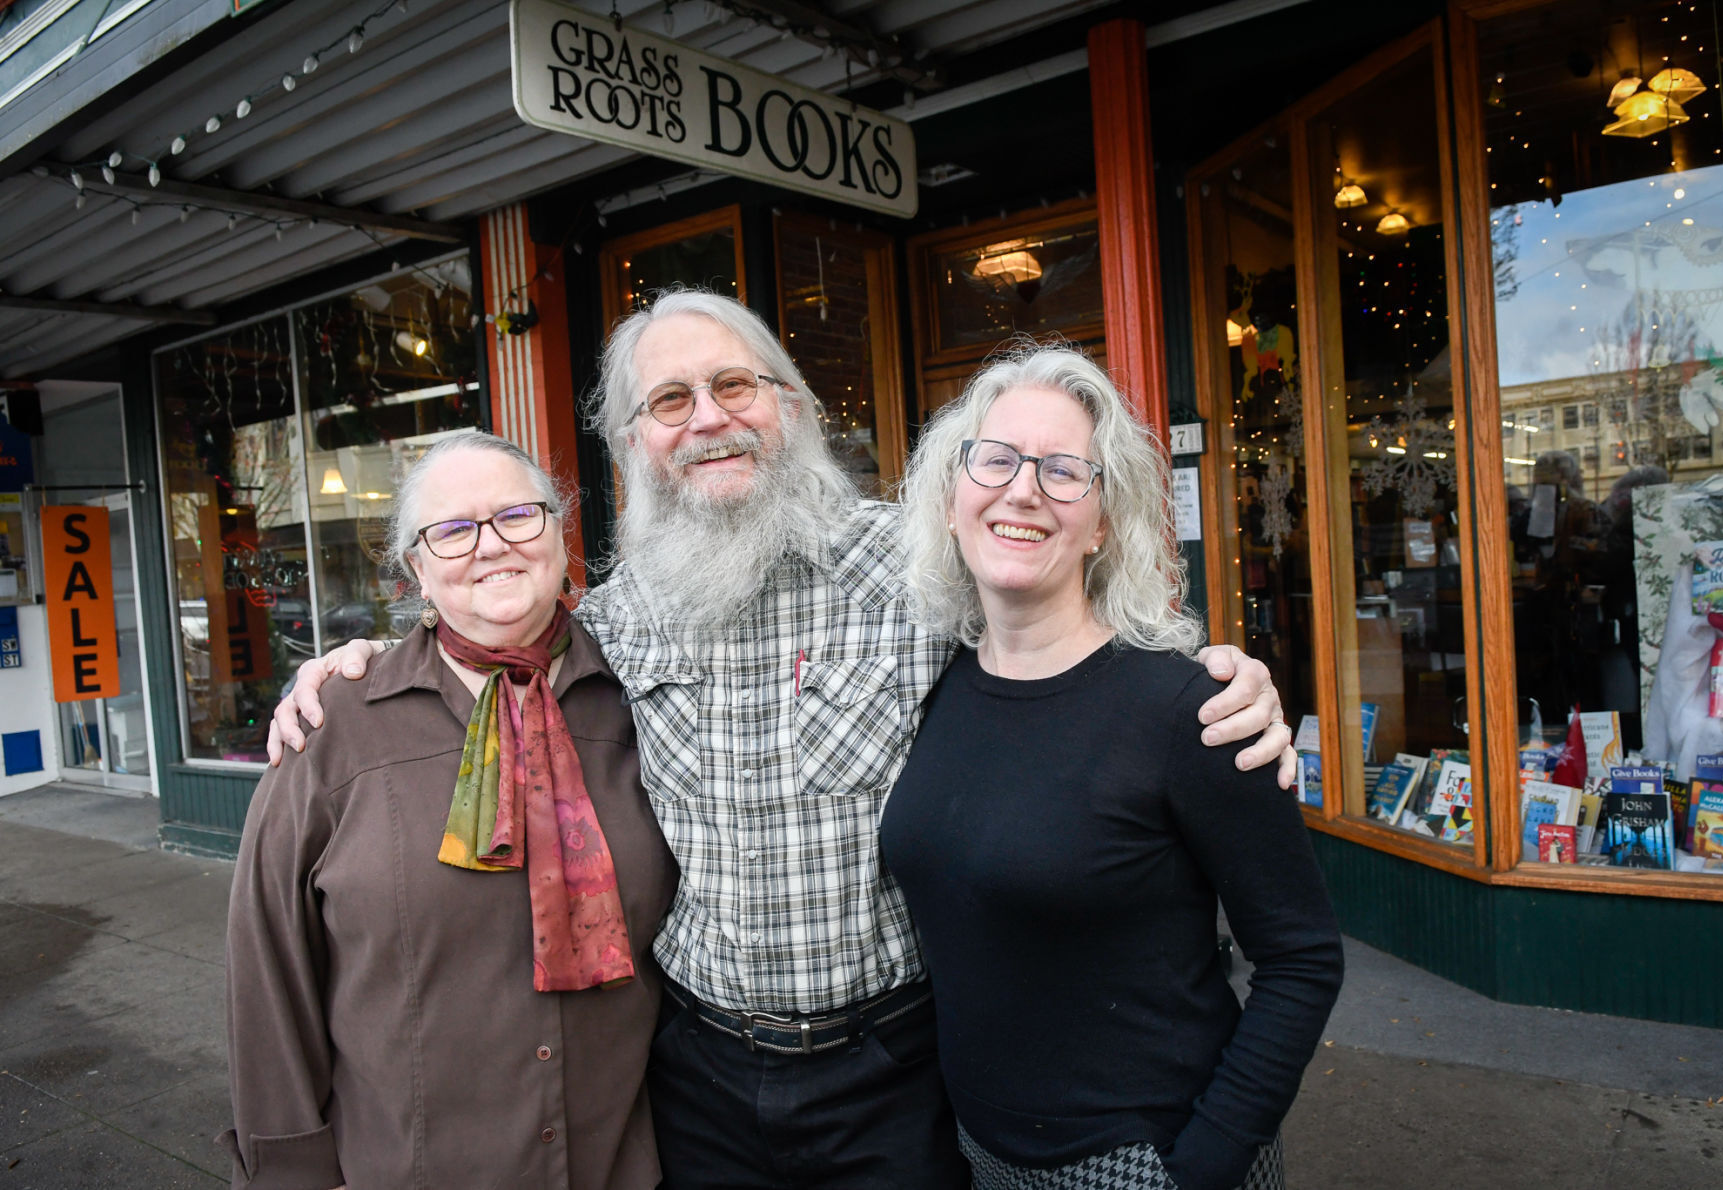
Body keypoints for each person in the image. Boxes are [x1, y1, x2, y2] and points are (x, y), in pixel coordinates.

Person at [268, 289, 1297, 1189]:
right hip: (698, 1075)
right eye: (669, 401)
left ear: (791, 406)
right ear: (632, 441)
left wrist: (1223, 674)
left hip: (893, 1072)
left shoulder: (919, 572)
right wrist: (353, 666)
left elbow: (1070, 625)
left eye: (735, 385)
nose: (707, 418)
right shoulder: (613, 625)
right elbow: (487, 626)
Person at [880, 343, 1343, 1190]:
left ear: (1099, 524)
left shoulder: (1185, 711)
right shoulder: (931, 688)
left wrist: (1202, 1166)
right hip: (979, 1153)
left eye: (1063, 471)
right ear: (951, 499)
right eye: (996, 460)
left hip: (1144, 1159)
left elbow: (1303, 957)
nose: (1022, 488)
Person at [224, 432, 677, 1190]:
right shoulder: (334, 728)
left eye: (516, 516)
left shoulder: (646, 696)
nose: (490, 546)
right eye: (454, 530)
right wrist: (286, 1173)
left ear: (560, 531)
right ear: (417, 570)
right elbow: (267, 973)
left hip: (621, 1165)